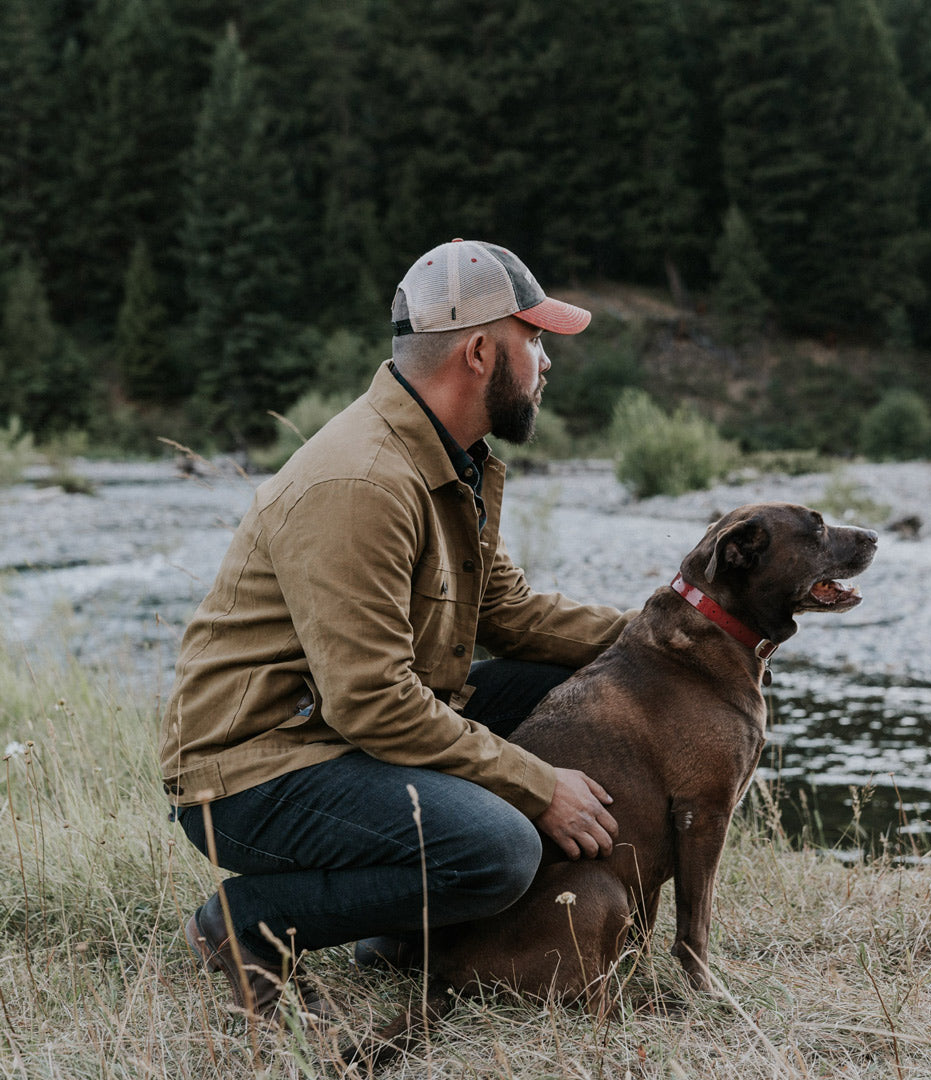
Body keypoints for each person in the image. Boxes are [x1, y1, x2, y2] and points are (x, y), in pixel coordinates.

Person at [161, 238, 633, 1021]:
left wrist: (673, 631)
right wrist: (537, 785)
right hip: (254, 772)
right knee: (499, 849)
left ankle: (398, 931)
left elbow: (505, 614)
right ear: (481, 351)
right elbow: (371, 701)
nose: (546, 362)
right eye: (536, 339)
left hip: (339, 735)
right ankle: (246, 923)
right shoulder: (362, 480)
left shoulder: (453, 457)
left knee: (578, 689)